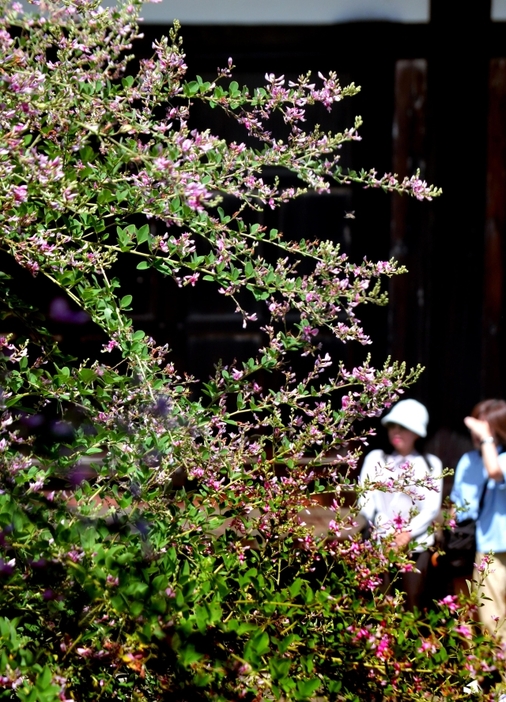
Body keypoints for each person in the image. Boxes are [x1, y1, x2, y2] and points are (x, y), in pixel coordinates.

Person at [359, 398, 443, 611]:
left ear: (417, 432)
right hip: (381, 542)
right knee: (382, 603)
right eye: (393, 426)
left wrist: (407, 533)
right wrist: (387, 532)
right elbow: (366, 500)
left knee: (413, 604)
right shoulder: (376, 458)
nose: (396, 432)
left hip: (417, 545)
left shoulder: (431, 464)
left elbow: (432, 506)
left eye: (403, 427)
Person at [451, 399, 506, 643]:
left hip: (499, 547)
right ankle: (474, 679)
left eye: (484, 426)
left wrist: (486, 439)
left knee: (495, 621)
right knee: (470, 619)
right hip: (473, 547)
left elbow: (495, 472)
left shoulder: (502, 459)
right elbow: (457, 504)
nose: (477, 432)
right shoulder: (467, 460)